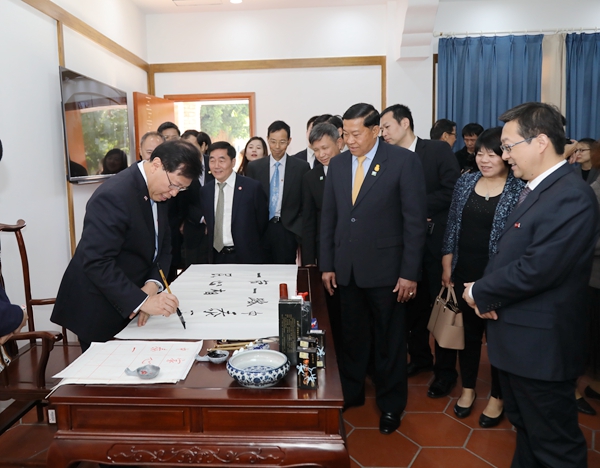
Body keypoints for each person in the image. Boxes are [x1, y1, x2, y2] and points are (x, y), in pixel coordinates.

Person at [464, 102, 599, 468]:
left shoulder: (570, 195)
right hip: (520, 342)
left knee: (555, 448)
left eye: (509, 147)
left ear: (540, 142)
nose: (505, 156)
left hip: (542, 349)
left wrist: (480, 291)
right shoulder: (539, 188)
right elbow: (511, 253)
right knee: (528, 433)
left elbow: (538, 268)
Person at [320, 103, 427, 435]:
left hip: (387, 272)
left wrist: (409, 273)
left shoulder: (403, 161)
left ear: (376, 130)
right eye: (345, 134)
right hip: (347, 269)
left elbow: (414, 223)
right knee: (352, 337)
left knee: (389, 341)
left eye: (356, 134)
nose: (349, 141)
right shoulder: (339, 164)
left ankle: (391, 404)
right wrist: (327, 264)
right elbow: (330, 217)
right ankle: (352, 392)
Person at [51, 140, 202, 352]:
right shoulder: (114, 195)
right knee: (108, 371)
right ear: (157, 164)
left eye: (182, 189)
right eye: (174, 185)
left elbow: (163, 245)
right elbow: (97, 261)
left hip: (130, 298)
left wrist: (152, 285)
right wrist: (142, 301)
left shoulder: (159, 191)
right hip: (99, 307)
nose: (174, 193)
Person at [437, 127, 525, 427]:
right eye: (480, 154)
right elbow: (452, 224)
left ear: (505, 155)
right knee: (469, 336)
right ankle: (468, 388)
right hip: (464, 271)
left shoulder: (519, 189)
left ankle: (498, 396)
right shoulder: (466, 181)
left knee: (498, 339)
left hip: (498, 277)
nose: (484, 160)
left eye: (492, 154)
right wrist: (447, 262)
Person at [380, 104, 460, 386]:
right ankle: (420, 358)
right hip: (403, 247)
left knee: (441, 308)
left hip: (435, 244)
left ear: (405, 123)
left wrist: (414, 207)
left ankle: (445, 371)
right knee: (411, 307)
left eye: (386, 127)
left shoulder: (436, 150)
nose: (383, 133)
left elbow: (452, 190)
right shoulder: (386, 157)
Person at [301, 122, 344, 359]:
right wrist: (309, 258)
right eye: (316, 150)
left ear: (340, 142)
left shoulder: (354, 169)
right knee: (330, 308)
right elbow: (308, 220)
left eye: (325, 148)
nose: (321, 154)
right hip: (325, 252)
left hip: (352, 251)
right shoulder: (311, 177)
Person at [246, 121, 310, 264]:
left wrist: (297, 229)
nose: (277, 146)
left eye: (282, 142)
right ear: (267, 139)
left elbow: (306, 202)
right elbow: (249, 202)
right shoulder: (254, 167)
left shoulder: (301, 167)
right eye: (273, 141)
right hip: (262, 229)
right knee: (261, 271)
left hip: (287, 230)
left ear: (289, 141)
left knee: (285, 271)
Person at [201, 141, 268, 264]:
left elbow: (262, 222)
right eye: (212, 160)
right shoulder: (206, 191)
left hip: (245, 256)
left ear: (233, 162)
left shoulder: (251, 188)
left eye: (221, 160)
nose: (216, 166)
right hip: (216, 257)